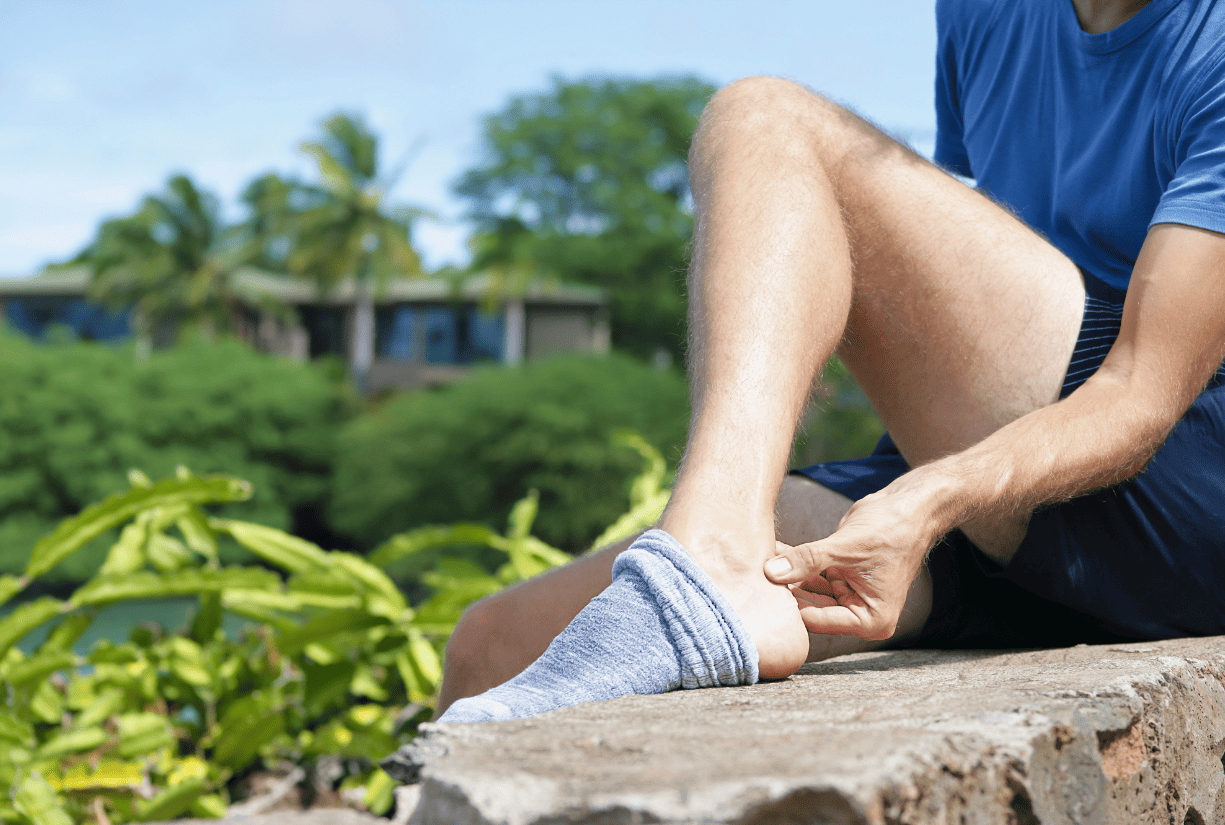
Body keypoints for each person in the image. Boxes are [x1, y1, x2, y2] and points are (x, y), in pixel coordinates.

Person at [431, 0, 1225, 722]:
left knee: (765, 117)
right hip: (1013, 506)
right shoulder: (986, 12)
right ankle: (719, 560)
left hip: (1175, 493)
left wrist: (927, 500)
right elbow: (961, 295)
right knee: (493, 646)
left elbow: (1139, 391)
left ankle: (719, 557)